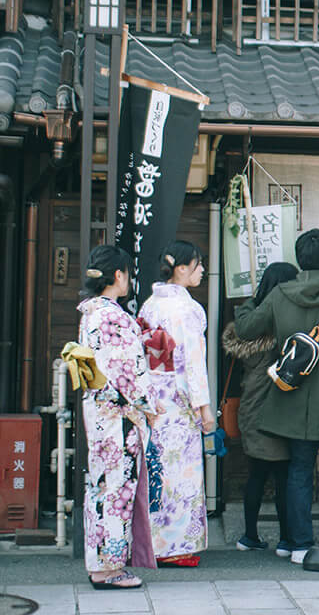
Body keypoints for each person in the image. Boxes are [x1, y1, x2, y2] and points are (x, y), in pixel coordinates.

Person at [234, 229, 319, 565]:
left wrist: (255, 298)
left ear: (299, 260)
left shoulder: (280, 294)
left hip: (293, 396)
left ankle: (298, 544)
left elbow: (247, 328)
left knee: (298, 470)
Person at [77, 245, 161, 589]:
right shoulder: (112, 316)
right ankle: (110, 568)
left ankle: (99, 563)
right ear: (118, 275)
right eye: (127, 273)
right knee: (117, 490)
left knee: (101, 488)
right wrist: (150, 407)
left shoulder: (91, 312)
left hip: (100, 412)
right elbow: (129, 372)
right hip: (119, 417)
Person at [139, 240, 214, 566]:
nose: (201, 270)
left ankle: (149, 541)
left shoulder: (150, 305)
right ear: (181, 269)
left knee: (156, 471)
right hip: (179, 401)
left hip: (154, 401)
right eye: (197, 265)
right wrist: (204, 406)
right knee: (180, 475)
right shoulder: (185, 310)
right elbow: (193, 361)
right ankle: (175, 546)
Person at [221, 262, 298, 556]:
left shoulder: (247, 321)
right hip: (278, 406)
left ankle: (249, 535)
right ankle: (286, 539)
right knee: (283, 477)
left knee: (256, 475)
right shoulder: (284, 322)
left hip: (251, 407)